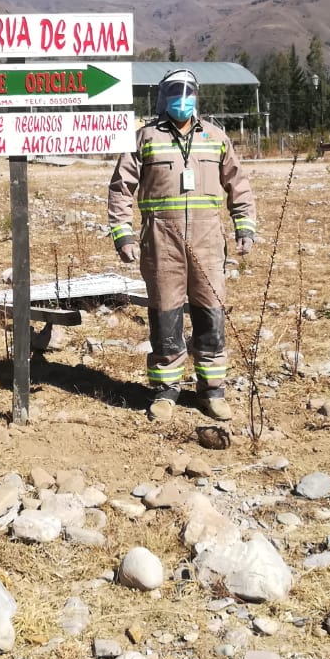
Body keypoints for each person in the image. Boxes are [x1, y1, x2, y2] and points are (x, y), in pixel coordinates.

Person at [108, 68, 256, 422]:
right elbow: (121, 188)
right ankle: (165, 391)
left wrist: (245, 227)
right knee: (165, 315)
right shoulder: (145, 138)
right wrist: (123, 234)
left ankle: (212, 390)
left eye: (189, 92)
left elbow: (238, 184)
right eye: (175, 91)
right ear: (163, 96)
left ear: (197, 96)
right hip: (162, 242)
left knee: (211, 313)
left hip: (208, 242)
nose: (182, 98)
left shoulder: (216, 137)